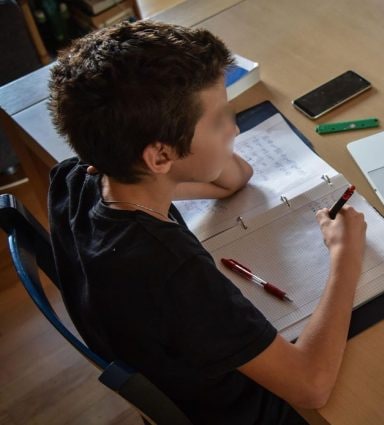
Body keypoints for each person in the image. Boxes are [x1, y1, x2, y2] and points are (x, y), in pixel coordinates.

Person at [47, 20, 366, 424]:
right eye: (218, 120)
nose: (234, 127)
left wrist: (209, 144)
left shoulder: (79, 177)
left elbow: (236, 178)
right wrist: (346, 257)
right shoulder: (170, 271)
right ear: (160, 158)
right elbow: (311, 385)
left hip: (172, 368)